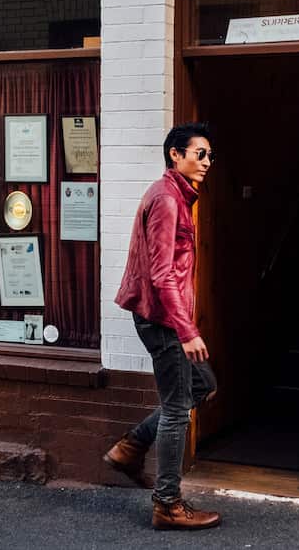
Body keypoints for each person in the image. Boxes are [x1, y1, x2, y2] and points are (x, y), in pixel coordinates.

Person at [104, 122, 220, 530]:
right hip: (163, 318)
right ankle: (168, 503)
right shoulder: (168, 199)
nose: (206, 161)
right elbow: (161, 275)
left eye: (209, 155)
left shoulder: (174, 195)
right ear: (176, 154)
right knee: (176, 409)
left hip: (166, 316)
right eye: (199, 153)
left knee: (203, 384)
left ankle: (131, 446)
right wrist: (185, 329)